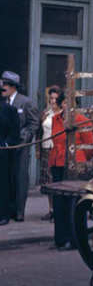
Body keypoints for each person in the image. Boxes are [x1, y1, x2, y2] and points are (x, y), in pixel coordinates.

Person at [48, 91, 93, 250]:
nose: (69, 106)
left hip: (76, 165)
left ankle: (74, 239)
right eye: (66, 102)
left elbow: (89, 147)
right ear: (61, 104)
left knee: (73, 204)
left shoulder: (82, 120)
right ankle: (60, 238)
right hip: (58, 163)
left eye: (72, 102)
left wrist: (82, 162)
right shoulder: (55, 119)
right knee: (59, 203)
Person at [0, 70, 40, 222]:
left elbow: (34, 123)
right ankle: (7, 209)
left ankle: (19, 211)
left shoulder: (26, 102)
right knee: (7, 178)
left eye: (5, 85)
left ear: (12, 87)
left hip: (21, 146)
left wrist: (23, 139)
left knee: (20, 177)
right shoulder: (4, 103)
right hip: (6, 146)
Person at [39, 86, 62, 221]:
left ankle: (58, 210)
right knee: (47, 181)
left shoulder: (62, 113)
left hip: (56, 149)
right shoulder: (46, 113)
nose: (53, 101)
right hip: (45, 148)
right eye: (51, 98)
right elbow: (39, 131)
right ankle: (51, 209)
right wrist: (38, 150)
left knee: (55, 180)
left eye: (55, 98)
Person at [0, 100, 20, 226]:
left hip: (3, 153)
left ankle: (3, 214)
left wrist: (6, 144)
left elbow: (14, 132)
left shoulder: (9, 110)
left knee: (3, 183)